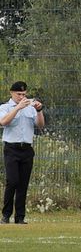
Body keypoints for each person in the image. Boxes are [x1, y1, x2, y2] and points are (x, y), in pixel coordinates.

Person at [1, 81, 47, 224]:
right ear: (12, 93)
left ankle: (20, 217)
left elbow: (40, 125)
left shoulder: (30, 108)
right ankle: (6, 215)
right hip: (11, 149)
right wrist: (18, 108)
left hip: (26, 149)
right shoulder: (5, 107)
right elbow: (3, 122)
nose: (22, 97)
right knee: (12, 181)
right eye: (19, 94)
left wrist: (39, 110)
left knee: (23, 184)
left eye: (24, 94)